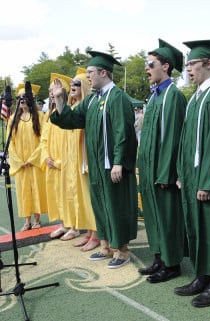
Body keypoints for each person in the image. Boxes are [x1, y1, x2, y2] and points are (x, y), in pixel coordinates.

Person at [50, 50, 138, 269]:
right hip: (97, 164)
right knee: (100, 205)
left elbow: (123, 132)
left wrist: (118, 161)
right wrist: (60, 98)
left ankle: (122, 250)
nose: (87, 77)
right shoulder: (91, 100)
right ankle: (106, 246)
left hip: (112, 165)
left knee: (115, 206)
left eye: (90, 72)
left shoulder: (117, 97)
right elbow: (70, 119)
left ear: (103, 72)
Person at [174, 39, 210, 307]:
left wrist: (208, 181)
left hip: (209, 179)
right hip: (192, 175)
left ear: (208, 63)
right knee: (197, 228)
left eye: (193, 64)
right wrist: (181, 172)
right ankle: (202, 275)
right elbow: (186, 140)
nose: (189, 70)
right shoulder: (195, 97)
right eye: (187, 65)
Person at [137, 39, 186, 283]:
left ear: (165, 66)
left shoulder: (172, 96)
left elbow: (173, 139)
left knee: (167, 217)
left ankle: (171, 263)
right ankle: (159, 258)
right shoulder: (155, 96)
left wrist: (167, 172)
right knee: (154, 217)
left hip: (162, 171)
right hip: (149, 169)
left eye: (150, 64)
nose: (146, 69)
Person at [63, 67, 99, 251]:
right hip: (74, 160)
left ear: (84, 85)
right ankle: (88, 232)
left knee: (88, 197)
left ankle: (96, 233)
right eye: (71, 84)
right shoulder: (74, 107)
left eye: (76, 84)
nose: (72, 87)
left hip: (85, 159)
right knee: (81, 198)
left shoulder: (87, 107)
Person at [8, 83, 47, 231]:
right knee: (23, 191)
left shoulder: (40, 117)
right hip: (21, 162)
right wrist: (18, 161)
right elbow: (10, 142)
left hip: (34, 161)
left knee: (36, 188)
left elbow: (44, 139)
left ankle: (37, 220)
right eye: (19, 97)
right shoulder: (13, 119)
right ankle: (27, 221)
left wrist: (33, 158)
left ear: (30, 99)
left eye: (24, 97)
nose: (21, 99)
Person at [41, 73, 74, 240]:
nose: (52, 94)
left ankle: (73, 226)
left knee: (69, 193)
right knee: (56, 194)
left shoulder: (68, 113)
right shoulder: (48, 115)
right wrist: (46, 157)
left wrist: (60, 162)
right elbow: (44, 139)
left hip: (65, 162)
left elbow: (71, 141)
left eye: (54, 90)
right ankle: (63, 224)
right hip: (51, 161)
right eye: (50, 91)